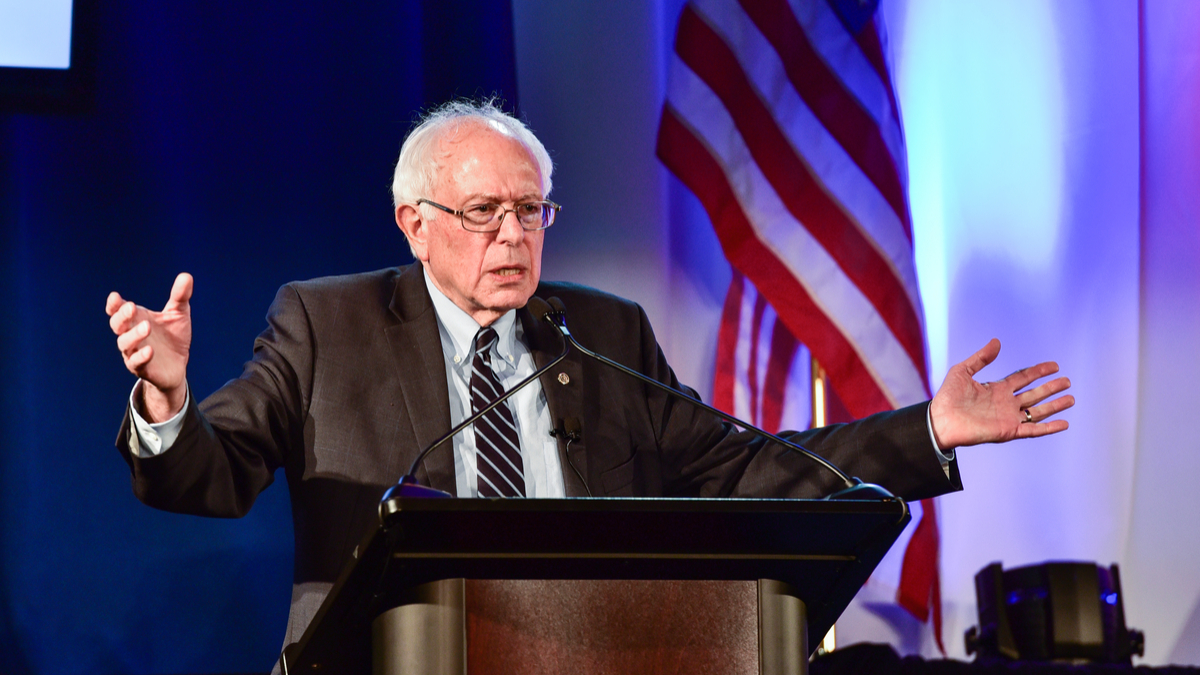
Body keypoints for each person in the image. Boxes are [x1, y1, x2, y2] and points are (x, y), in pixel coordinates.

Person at [105, 100, 1073, 649]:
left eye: (531, 211)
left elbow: (746, 467)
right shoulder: (329, 323)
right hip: (390, 657)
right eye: (483, 212)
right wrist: (167, 397)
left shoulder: (601, 330)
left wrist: (930, 430)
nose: (512, 235)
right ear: (415, 224)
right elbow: (213, 474)